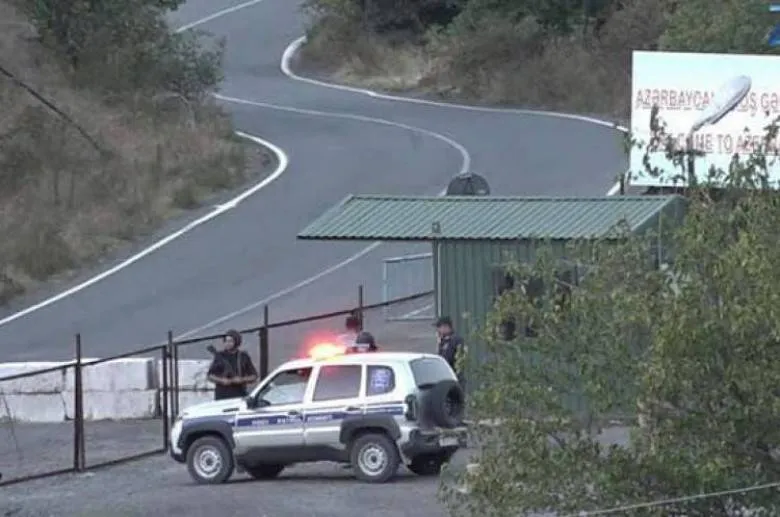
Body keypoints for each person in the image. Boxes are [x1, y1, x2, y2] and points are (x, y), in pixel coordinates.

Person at [207, 329, 258, 400]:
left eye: (230, 341)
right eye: (226, 341)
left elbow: (254, 376)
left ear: (236, 342)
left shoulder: (243, 356)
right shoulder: (220, 356)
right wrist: (221, 380)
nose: (227, 343)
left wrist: (241, 380)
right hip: (221, 395)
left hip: (239, 394)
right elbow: (210, 376)